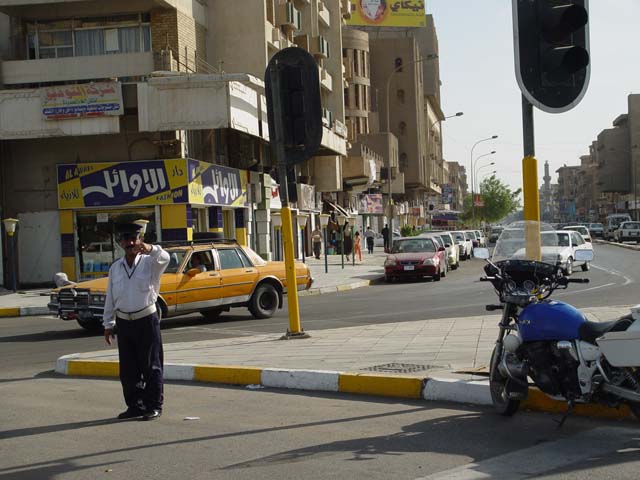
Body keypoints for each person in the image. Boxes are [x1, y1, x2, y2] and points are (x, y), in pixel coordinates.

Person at [103, 223, 170, 421]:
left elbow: (165, 258)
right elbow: (111, 296)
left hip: (146, 320)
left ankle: (154, 405)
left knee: (151, 366)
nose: (130, 243)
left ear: (140, 240)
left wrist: (151, 248)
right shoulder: (116, 267)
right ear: (120, 243)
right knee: (128, 369)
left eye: (134, 239)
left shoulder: (150, 262)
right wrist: (108, 323)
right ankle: (135, 405)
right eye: (126, 240)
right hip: (124, 323)